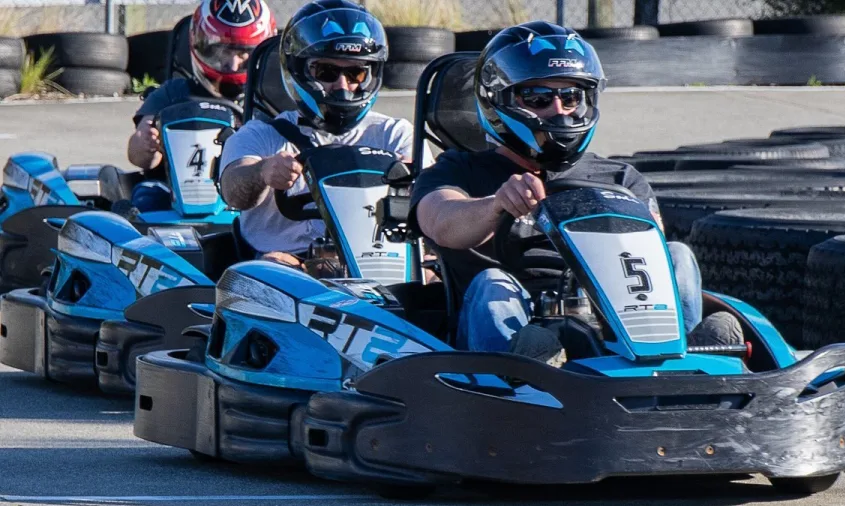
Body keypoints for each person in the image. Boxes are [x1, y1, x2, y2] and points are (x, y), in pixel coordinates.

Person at [409, 22, 742, 362]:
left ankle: (682, 362)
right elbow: (440, 221)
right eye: (539, 98)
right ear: (499, 101)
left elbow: (646, 251)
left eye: (570, 97)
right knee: (493, 283)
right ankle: (522, 373)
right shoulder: (458, 169)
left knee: (677, 256)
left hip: (613, 317)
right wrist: (495, 205)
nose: (559, 111)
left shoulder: (620, 177)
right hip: (513, 320)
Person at [217, 0, 433, 271]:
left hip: (381, 267)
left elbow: (435, 202)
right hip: (291, 267)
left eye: (356, 72)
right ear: (299, 71)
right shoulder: (262, 135)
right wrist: (262, 171)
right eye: (327, 72)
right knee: (271, 270)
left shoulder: (395, 135)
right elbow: (232, 190)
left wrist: (417, 182)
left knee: (435, 280)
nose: (343, 87)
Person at [126, 0, 277, 212]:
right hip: (172, 196)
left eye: (243, 53)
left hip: (244, 194)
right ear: (201, 44)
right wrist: (145, 142)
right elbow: (140, 158)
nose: (233, 64)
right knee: (146, 196)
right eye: (222, 52)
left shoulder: (268, 100)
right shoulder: (173, 93)